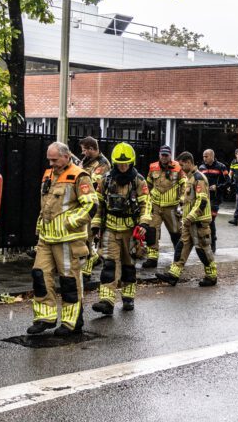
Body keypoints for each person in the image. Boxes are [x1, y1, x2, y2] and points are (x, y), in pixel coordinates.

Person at [29, 142, 96, 336]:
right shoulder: (49, 174)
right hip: (47, 237)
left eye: (54, 159)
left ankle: (72, 321)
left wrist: (71, 222)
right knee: (40, 275)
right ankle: (45, 317)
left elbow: (91, 205)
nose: (51, 163)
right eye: (49, 159)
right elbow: (47, 205)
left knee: (69, 281)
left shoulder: (79, 175)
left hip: (68, 239)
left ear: (66, 156)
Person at [90, 142, 154, 315]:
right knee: (109, 264)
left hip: (130, 231)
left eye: (125, 163)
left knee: (128, 265)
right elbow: (98, 204)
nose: (123, 166)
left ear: (131, 163)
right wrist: (95, 225)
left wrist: (143, 223)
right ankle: (106, 301)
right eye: (119, 163)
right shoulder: (106, 179)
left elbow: (146, 204)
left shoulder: (138, 181)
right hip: (110, 228)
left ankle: (128, 298)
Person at [156, 151, 218, 287]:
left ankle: (212, 276)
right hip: (189, 222)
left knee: (202, 249)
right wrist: (182, 203)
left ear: (189, 162)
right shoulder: (190, 178)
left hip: (198, 222)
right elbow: (191, 199)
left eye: (183, 165)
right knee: (181, 247)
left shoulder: (198, 177)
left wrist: (190, 217)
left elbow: (202, 200)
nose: (181, 168)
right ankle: (173, 275)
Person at [144, 145, 185, 268]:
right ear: (159, 155)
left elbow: (184, 185)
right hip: (155, 205)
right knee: (152, 231)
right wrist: (146, 199)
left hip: (171, 207)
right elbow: (148, 184)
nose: (164, 157)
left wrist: (182, 200)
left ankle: (178, 257)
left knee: (176, 232)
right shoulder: (153, 167)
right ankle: (152, 258)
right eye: (162, 155)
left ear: (170, 156)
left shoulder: (178, 168)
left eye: (166, 155)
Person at [78, 136, 111, 280]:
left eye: (85, 150)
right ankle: (94, 257)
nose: (83, 153)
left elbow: (93, 182)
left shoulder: (102, 164)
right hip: (84, 204)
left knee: (88, 237)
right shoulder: (86, 161)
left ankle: (86, 272)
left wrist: (79, 172)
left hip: (95, 205)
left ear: (92, 149)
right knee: (84, 236)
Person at [198, 149, 229, 254]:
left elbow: (228, 182)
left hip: (215, 198)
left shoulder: (221, 167)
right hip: (203, 198)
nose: (204, 158)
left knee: (210, 219)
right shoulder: (201, 168)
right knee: (203, 221)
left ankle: (213, 244)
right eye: (203, 156)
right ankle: (204, 242)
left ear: (212, 156)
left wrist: (217, 187)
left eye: (206, 156)